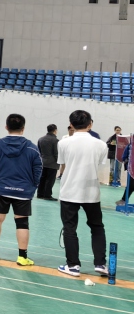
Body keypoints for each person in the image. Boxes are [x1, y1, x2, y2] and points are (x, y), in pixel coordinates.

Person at [0, 114, 42, 267]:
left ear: (6, 127)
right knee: (22, 222)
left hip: (1, 189)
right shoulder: (32, 147)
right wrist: (32, 186)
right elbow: (38, 170)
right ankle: (22, 257)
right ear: (23, 128)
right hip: (23, 191)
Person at [57, 110, 109, 278]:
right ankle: (100, 264)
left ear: (71, 124)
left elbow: (63, 164)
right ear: (90, 124)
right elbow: (98, 164)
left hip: (69, 191)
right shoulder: (101, 144)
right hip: (91, 193)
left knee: (69, 228)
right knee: (97, 227)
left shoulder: (63, 143)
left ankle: (73, 266)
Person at [37, 124, 59, 200]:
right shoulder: (55, 140)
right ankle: (47, 195)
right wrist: (58, 161)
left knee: (42, 178)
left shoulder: (41, 139)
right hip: (52, 163)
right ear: (55, 130)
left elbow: (39, 151)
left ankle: (40, 194)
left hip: (43, 161)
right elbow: (56, 153)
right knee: (50, 180)